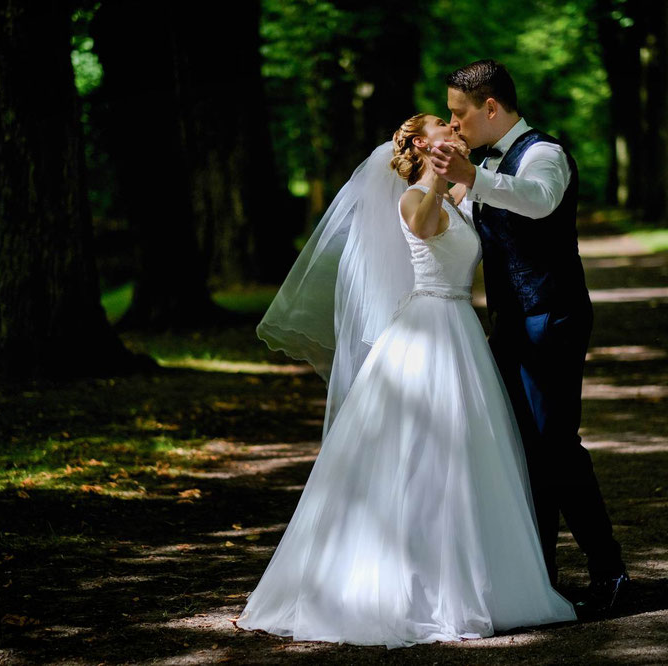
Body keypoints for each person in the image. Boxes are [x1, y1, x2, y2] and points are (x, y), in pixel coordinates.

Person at [234, 113, 576, 648]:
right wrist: (439, 175)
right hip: (427, 332)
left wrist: (464, 176)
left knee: (465, 455)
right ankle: (405, 587)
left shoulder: (455, 196)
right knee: (421, 452)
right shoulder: (415, 198)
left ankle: (470, 579)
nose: (454, 124)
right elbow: (420, 224)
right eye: (443, 122)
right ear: (421, 143)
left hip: (458, 328)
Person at [429, 59, 629, 613]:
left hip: (553, 317)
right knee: (521, 450)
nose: (454, 125)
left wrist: (472, 178)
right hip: (509, 324)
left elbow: (537, 200)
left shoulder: (544, 154)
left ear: (490, 107)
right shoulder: (482, 167)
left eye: (459, 113)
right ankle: (538, 576)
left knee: (555, 444)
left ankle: (609, 570)